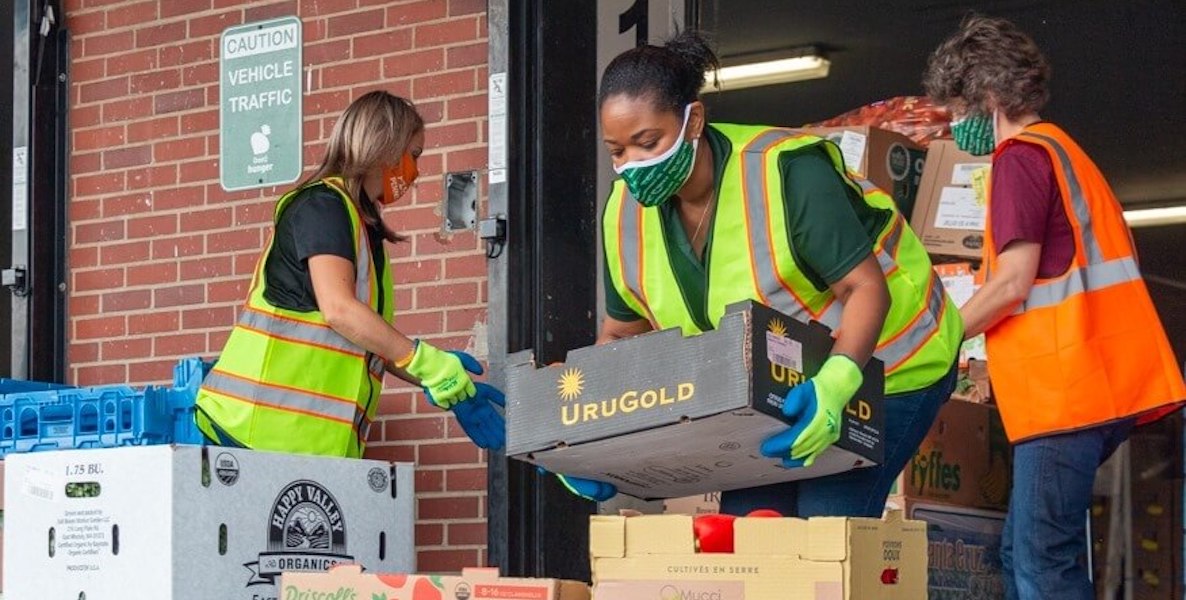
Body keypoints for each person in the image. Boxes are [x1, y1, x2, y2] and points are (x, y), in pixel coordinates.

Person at [555, 30, 964, 516]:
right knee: (750, 531)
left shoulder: (785, 170)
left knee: (827, 524)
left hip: (891, 364)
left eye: (648, 142)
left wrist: (835, 384)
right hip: (774, 384)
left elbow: (864, 288)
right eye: (617, 151)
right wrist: (584, 437)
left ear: (693, 121)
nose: (632, 166)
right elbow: (621, 335)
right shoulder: (623, 214)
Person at [924, 16, 1185, 599]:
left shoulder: (1019, 157)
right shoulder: (1066, 152)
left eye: (959, 111)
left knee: (1043, 565)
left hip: (1064, 390)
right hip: (1093, 384)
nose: (957, 127)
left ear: (988, 97)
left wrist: (937, 339)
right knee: (1025, 554)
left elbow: (1013, 282)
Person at [194, 91, 505, 458]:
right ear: (384, 145)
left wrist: (444, 379)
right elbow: (339, 310)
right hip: (253, 429)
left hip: (297, 442)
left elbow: (367, 340)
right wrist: (425, 362)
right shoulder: (323, 206)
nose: (415, 172)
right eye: (414, 154)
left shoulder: (361, 224)